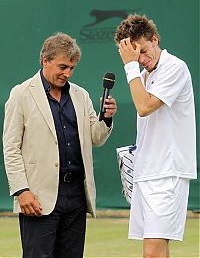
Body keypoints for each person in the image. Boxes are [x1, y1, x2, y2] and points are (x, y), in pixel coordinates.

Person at [3, 32, 117, 258]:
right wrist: (21, 191)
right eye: (63, 67)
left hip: (75, 195)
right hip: (37, 197)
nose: (68, 73)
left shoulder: (81, 95)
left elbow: (95, 138)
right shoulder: (21, 94)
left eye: (72, 68)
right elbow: (11, 147)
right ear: (45, 60)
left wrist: (106, 118)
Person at [114, 14, 197, 258]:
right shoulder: (143, 76)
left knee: (152, 253)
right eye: (134, 55)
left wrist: (129, 66)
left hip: (167, 173)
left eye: (143, 51)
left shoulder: (175, 67)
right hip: (146, 173)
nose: (140, 60)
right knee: (154, 253)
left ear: (155, 39)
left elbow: (144, 106)